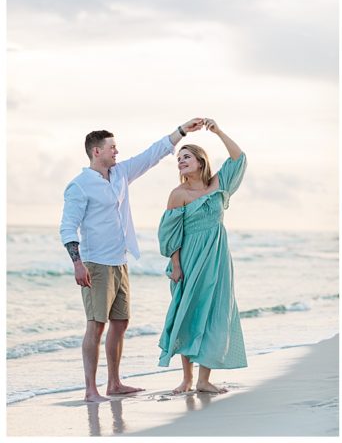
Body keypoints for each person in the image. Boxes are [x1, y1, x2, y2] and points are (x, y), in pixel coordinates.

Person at [60, 118, 205, 403]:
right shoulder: (79, 186)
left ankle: (114, 383)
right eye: (112, 148)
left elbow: (152, 154)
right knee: (96, 324)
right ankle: (91, 389)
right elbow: (68, 226)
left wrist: (182, 131)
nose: (117, 152)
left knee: (121, 322)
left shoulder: (120, 174)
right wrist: (77, 263)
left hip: (119, 260)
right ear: (96, 151)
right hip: (95, 263)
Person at [157, 118, 248, 394]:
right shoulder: (179, 194)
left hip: (218, 260)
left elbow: (240, 158)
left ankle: (203, 380)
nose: (181, 161)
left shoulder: (219, 184)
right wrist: (175, 265)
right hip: (190, 260)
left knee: (215, 314)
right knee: (188, 314)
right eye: (179, 159)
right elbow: (169, 235)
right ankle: (186, 379)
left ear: (200, 161)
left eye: (187, 157)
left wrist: (218, 131)